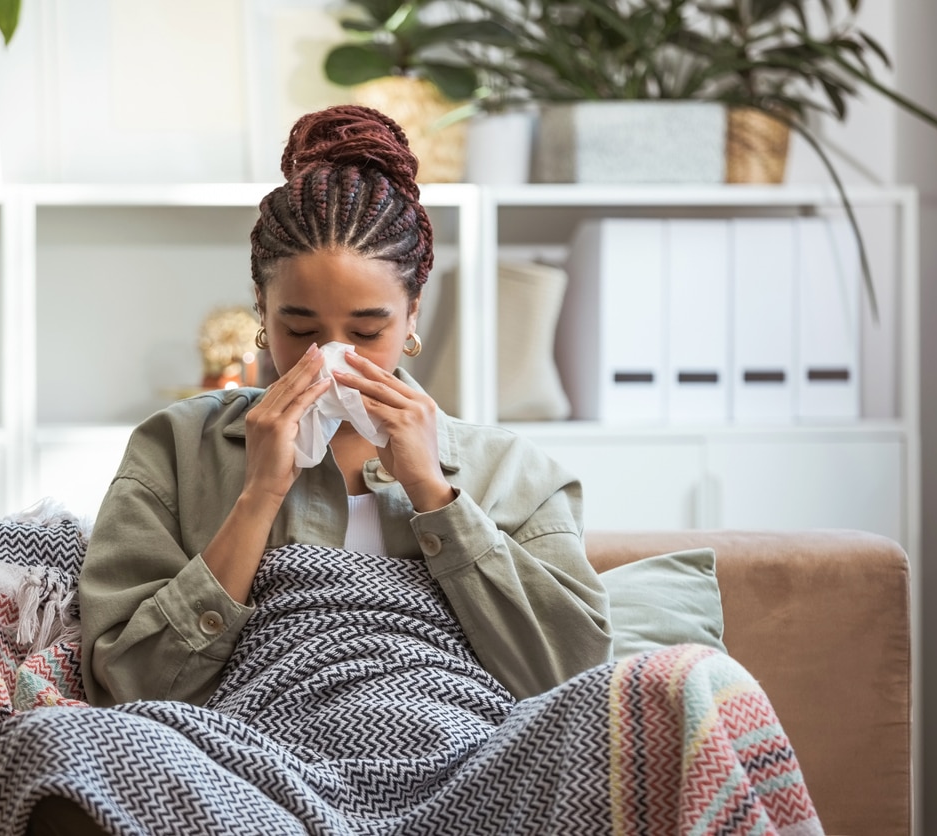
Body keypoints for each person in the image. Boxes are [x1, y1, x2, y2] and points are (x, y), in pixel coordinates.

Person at [78, 104, 613, 708]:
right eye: (301, 330)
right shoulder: (176, 450)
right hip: (247, 754)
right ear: (261, 309)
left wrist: (433, 495)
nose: (330, 357)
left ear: (413, 314)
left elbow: (574, 682)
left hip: (459, 750)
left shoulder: (515, 472)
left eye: (365, 333)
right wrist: (258, 498)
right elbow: (125, 685)